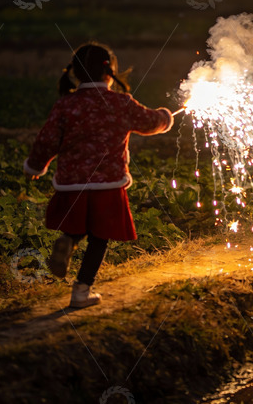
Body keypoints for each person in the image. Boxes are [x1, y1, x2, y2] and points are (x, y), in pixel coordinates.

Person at [24, 42, 174, 308]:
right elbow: (150, 122)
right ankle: (81, 291)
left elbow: (46, 141)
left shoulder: (66, 105)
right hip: (108, 184)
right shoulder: (120, 103)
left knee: (79, 226)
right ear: (110, 72)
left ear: (76, 73)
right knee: (99, 237)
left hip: (72, 184)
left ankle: (68, 241)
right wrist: (165, 117)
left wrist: (35, 167)